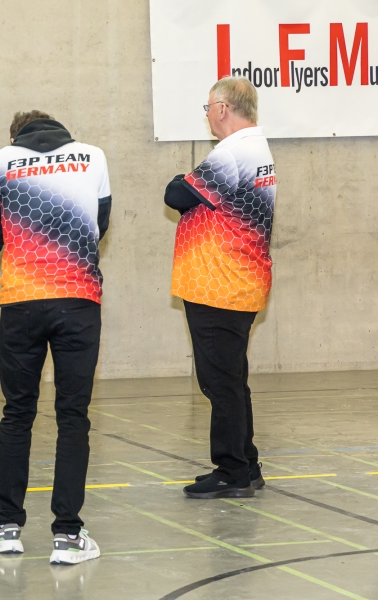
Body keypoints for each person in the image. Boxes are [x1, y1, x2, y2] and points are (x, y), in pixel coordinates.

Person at [0, 111, 112, 565]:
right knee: (73, 416)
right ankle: (68, 535)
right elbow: (99, 223)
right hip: (78, 300)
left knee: (17, 413)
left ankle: (7, 528)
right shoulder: (93, 156)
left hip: (22, 304)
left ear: (15, 136)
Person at [163, 77, 276, 499]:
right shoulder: (255, 148)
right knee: (232, 378)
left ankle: (231, 470)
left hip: (220, 284)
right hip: (237, 280)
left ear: (224, 109)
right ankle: (246, 462)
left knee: (220, 382)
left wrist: (183, 178)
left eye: (208, 106)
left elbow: (176, 194)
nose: (207, 114)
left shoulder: (232, 153)